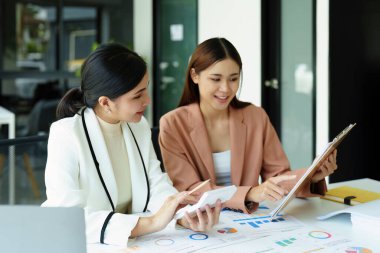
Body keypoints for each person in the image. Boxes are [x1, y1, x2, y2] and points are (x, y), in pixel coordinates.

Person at [42, 43, 221, 246]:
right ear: (105, 103)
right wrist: (151, 223)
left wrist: (182, 214)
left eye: (146, 90)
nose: (148, 100)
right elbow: (68, 218)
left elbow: (156, 183)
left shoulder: (138, 126)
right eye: (137, 95)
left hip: (139, 242)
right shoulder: (66, 134)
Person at [159, 37, 337, 213]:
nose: (226, 89)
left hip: (250, 220)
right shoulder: (173, 124)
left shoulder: (255, 117)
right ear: (194, 76)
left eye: (233, 79)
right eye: (216, 79)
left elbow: (277, 178)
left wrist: (311, 176)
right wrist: (250, 193)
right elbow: (191, 190)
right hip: (201, 222)